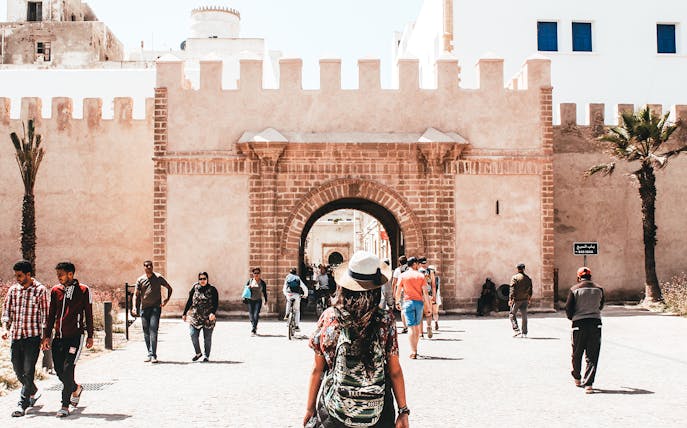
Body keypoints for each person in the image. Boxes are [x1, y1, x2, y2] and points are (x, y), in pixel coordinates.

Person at [304, 250, 409, 427]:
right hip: (377, 413)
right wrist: (403, 410)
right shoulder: (385, 320)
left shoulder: (330, 317)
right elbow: (395, 371)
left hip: (335, 411)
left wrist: (309, 408)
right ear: (376, 289)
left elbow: (317, 369)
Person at [42, 261, 94, 418]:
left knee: (68, 368)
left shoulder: (84, 290)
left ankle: (65, 406)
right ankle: (75, 388)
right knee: (59, 370)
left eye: (61, 275)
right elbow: (51, 315)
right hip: (58, 338)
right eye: (57, 275)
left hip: (75, 337)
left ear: (70, 274)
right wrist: (46, 336)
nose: (59, 278)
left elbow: (88, 314)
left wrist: (90, 335)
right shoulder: (55, 291)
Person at [1, 260, 48, 417]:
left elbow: (45, 316)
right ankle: (32, 390)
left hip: (32, 338)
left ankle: (23, 403)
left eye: (20, 275)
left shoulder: (40, 290)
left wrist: (44, 337)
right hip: (16, 336)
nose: (17, 279)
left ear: (29, 274)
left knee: (28, 371)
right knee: (17, 369)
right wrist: (5, 328)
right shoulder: (14, 290)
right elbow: (6, 311)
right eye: (16, 275)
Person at [565, 267, 604, 394]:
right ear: (590, 276)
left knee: (577, 352)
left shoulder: (574, 290)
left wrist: (573, 318)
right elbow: (601, 305)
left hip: (579, 324)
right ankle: (589, 384)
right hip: (595, 323)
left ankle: (577, 377)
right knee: (592, 354)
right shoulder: (599, 289)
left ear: (578, 277)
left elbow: (568, 309)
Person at [134, 260, 173, 363]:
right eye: (146, 266)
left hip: (155, 308)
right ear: (144, 267)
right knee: (146, 332)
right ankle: (149, 353)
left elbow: (169, 288)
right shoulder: (140, 280)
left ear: (152, 267)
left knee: (153, 330)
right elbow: (136, 294)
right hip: (144, 309)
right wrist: (134, 307)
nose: (148, 267)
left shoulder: (158, 277)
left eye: (150, 265)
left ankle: (153, 355)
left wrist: (166, 300)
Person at [395, 256, 431, 359]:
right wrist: (428, 307)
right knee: (416, 327)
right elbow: (425, 293)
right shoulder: (420, 276)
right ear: (414, 264)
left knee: (411, 327)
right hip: (419, 303)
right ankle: (415, 349)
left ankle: (413, 350)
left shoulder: (403, 276)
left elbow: (398, 291)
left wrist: (397, 301)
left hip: (407, 302)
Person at [182, 272, 218, 361]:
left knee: (207, 338)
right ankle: (198, 353)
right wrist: (184, 313)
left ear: (207, 279)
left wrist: (213, 313)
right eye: (200, 279)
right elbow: (190, 300)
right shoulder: (195, 288)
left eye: (204, 278)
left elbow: (215, 303)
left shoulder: (212, 289)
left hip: (208, 318)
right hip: (195, 317)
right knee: (193, 334)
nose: (202, 280)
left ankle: (206, 356)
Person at [509, 263, 532, 338]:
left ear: (517, 269)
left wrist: (511, 299)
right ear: (524, 269)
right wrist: (529, 298)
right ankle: (524, 332)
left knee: (512, 314)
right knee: (524, 316)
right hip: (525, 299)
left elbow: (512, 289)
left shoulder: (515, 278)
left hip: (517, 300)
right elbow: (530, 290)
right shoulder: (528, 278)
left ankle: (516, 330)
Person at [245, 267, 267, 336]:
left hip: (258, 300)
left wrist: (266, 300)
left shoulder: (262, 282)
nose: (256, 274)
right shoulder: (250, 281)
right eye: (255, 273)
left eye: (258, 273)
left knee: (256, 314)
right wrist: (248, 287)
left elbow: (264, 292)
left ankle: (253, 329)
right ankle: (254, 325)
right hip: (250, 300)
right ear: (253, 274)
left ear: (260, 274)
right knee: (251, 314)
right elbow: (245, 289)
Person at [391, 255, 409, 334]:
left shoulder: (397, 270)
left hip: (401, 290)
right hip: (409, 290)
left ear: (399, 262)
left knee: (402, 309)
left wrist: (394, 293)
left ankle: (405, 327)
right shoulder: (409, 269)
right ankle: (411, 325)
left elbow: (394, 283)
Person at [427, 264, 441, 330]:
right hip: (436, 296)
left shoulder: (427, 279)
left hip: (429, 296)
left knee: (429, 312)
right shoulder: (437, 278)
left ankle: (429, 325)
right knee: (435, 312)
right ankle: (436, 322)